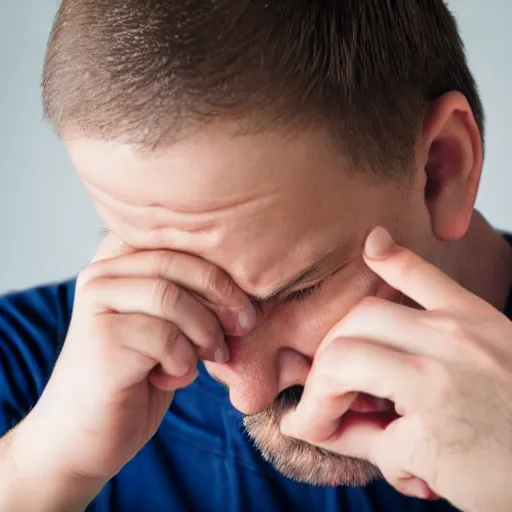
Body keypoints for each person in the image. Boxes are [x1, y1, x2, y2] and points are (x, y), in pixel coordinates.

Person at [1, 0, 512, 511]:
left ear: (441, 171)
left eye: (297, 290)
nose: (245, 394)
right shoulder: (25, 373)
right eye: (180, 284)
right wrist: (44, 472)